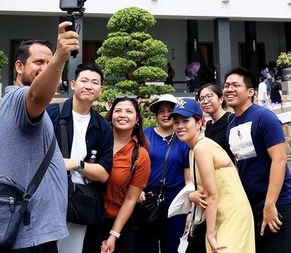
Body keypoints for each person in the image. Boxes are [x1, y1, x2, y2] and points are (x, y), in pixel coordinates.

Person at [0, 26, 78, 252]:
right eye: (38, 62)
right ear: (19, 66)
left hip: (29, 231)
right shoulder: (20, 98)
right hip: (27, 236)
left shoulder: (17, 102)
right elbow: (37, 95)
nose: (45, 68)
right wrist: (58, 58)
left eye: (49, 64)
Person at [224, 68, 291, 253]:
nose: (229, 89)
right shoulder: (232, 125)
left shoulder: (264, 118)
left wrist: (270, 204)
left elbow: (279, 160)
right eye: (226, 86)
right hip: (252, 205)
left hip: (277, 202)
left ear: (251, 92)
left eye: (235, 85)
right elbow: (238, 164)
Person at [172, 99, 255, 253]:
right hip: (220, 213)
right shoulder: (193, 149)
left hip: (231, 214)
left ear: (199, 122)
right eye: (176, 122)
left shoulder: (202, 147)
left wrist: (210, 234)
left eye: (185, 121)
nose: (180, 126)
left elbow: (211, 195)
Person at [47, 62, 113, 253]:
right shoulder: (51, 114)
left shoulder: (103, 127)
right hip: (48, 198)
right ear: (73, 84)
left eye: (95, 82)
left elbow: (103, 173)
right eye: (84, 80)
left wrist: (75, 164)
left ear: (101, 89)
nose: (89, 86)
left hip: (80, 202)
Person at [134, 94, 191, 253]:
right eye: (161, 111)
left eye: (170, 111)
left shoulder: (183, 139)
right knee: (144, 244)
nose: (165, 115)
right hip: (147, 196)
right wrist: (137, 190)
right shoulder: (144, 135)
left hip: (175, 199)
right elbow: (133, 165)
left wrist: (190, 210)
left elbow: (189, 180)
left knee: (173, 245)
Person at [97, 96, 151, 253]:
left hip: (117, 223)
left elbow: (130, 199)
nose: (122, 115)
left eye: (129, 111)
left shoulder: (140, 155)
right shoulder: (97, 143)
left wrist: (113, 236)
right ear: (111, 115)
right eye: (118, 110)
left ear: (137, 120)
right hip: (86, 218)